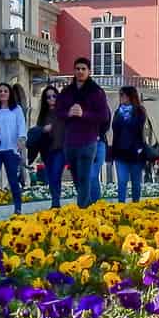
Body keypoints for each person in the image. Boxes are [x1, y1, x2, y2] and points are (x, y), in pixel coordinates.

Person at [54, 56, 110, 208]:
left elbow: (103, 116)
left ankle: (82, 209)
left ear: (89, 71)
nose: (80, 72)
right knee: (77, 178)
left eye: (83, 69)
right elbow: (58, 112)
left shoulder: (96, 92)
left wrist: (84, 114)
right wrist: (69, 113)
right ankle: (89, 205)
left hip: (88, 140)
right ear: (74, 71)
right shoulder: (66, 92)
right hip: (70, 141)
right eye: (77, 69)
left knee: (85, 177)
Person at [0, 83, 27, 217]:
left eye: (5, 91)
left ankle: (18, 209)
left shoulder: (17, 110)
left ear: (10, 94)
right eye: (0, 91)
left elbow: (21, 126)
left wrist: (21, 139)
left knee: (13, 181)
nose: (2, 93)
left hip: (11, 150)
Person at [109, 85, 148, 203]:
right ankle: (121, 205)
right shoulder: (118, 112)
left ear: (130, 96)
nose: (121, 98)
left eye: (123, 95)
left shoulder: (139, 111)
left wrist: (128, 117)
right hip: (120, 153)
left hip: (135, 153)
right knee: (122, 181)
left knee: (136, 182)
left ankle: (136, 204)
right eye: (120, 95)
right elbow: (115, 130)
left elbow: (137, 127)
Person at [29, 85, 65, 209]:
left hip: (60, 149)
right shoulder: (43, 115)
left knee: (56, 175)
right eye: (48, 97)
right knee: (50, 176)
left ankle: (56, 203)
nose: (51, 99)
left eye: (54, 96)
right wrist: (43, 129)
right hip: (47, 150)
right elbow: (38, 132)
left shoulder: (62, 112)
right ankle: (55, 202)